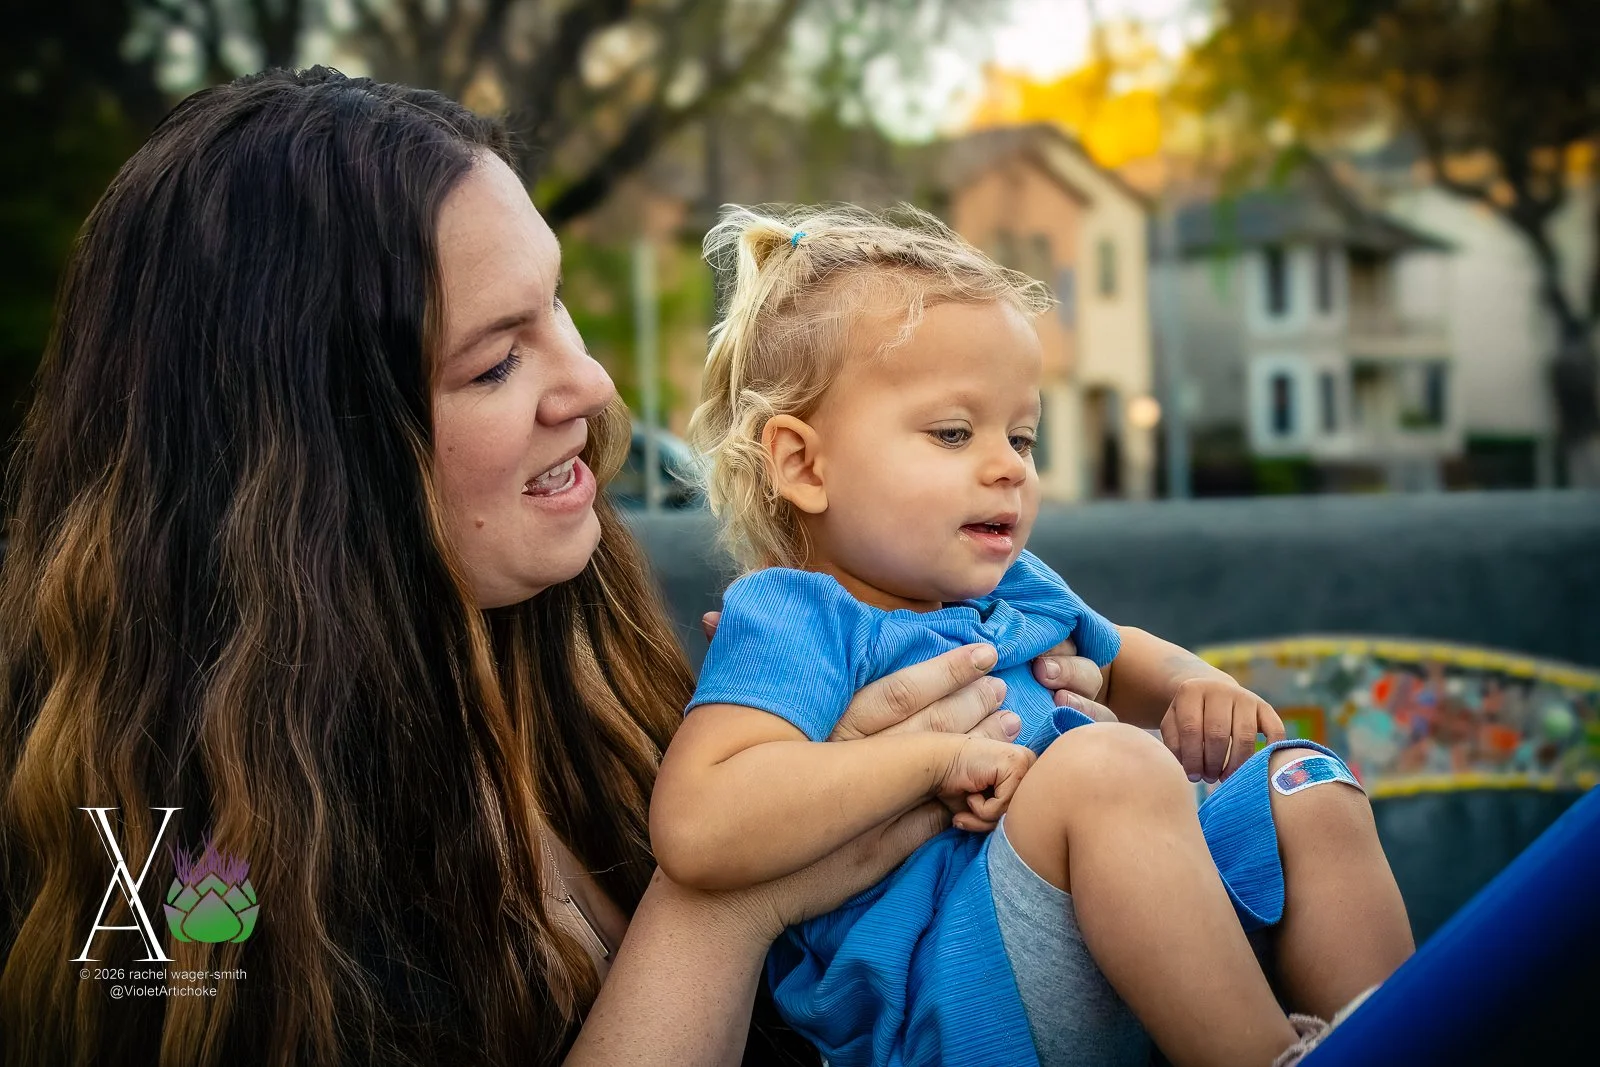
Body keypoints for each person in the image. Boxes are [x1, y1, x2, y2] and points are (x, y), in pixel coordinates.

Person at [0, 69, 1111, 1066]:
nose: (586, 382)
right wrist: (725, 902)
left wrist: (1015, 738)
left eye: (559, 305)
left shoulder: (597, 663)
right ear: (312, 460)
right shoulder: (171, 856)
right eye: (494, 361)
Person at [651, 205, 1417, 1067]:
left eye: (1022, 435)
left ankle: (1397, 1038)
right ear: (804, 463)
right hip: (949, 989)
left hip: (1098, 922)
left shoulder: (1017, 583)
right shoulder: (794, 616)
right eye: (953, 432)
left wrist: (1192, 683)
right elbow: (698, 824)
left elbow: (1120, 652)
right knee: (1110, 765)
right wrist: (932, 761)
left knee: (1306, 783)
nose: (1010, 464)